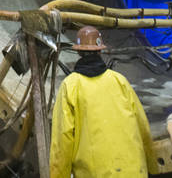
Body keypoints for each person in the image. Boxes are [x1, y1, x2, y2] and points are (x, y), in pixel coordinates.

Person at [50, 25, 155, 177]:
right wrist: (152, 166)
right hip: (134, 171)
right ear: (100, 49)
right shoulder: (120, 81)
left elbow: (62, 143)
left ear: (78, 50)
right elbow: (142, 126)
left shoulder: (70, 86)